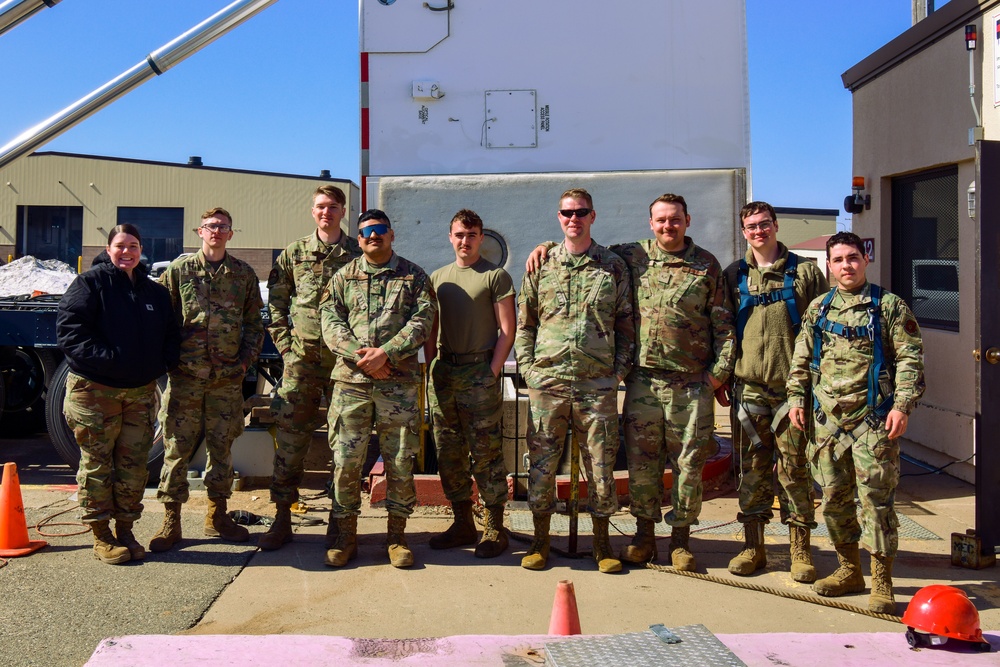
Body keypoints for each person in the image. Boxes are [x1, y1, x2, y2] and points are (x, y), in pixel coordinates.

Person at [527, 193, 734, 572]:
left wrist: (716, 375)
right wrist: (543, 246)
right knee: (641, 465)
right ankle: (642, 537)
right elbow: (575, 250)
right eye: (660, 220)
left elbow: (723, 324)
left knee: (687, 465)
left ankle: (681, 542)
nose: (667, 226)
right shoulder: (632, 256)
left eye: (674, 219)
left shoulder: (705, 265)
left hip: (688, 382)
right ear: (650, 223)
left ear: (688, 220)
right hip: (642, 382)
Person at [787, 231, 924, 614]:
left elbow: (911, 360)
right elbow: (801, 359)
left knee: (877, 504)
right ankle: (850, 569)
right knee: (834, 501)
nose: (846, 266)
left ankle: (882, 580)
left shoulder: (889, 306)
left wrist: (902, 406)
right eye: (838, 260)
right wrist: (797, 398)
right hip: (827, 424)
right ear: (827, 266)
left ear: (865, 259)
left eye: (852, 258)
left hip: (873, 424)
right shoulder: (819, 308)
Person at [515, 188, 634, 574]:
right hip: (548, 382)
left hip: (595, 384)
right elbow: (525, 323)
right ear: (558, 217)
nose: (574, 219)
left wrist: (617, 372)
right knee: (542, 466)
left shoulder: (613, 266)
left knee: (599, 466)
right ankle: (539, 542)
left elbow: (626, 324)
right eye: (567, 213)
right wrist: (530, 370)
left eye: (581, 212)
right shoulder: (541, 263)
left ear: (593, 216)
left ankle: (602, 544)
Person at [57, 224, 180, 564]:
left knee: (133, 466)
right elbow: (70, 332)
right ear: (108, 248)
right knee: (97, 464)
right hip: (95, 391)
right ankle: (101, 535)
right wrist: (111, 362)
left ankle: (126, 529)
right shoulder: (90, 284)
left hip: (139, 394)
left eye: (134, 246)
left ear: (141, 251)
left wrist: (160, 362)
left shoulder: (153, 293)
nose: (127, 252)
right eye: (121, 245)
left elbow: (170, 333)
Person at [321, 209, 436, 568]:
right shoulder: (343, 277)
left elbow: (423, 321)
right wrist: (362, 357)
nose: (374, 236)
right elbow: (330, 321)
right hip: (352, 385)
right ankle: (345, 537)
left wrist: (386, 353)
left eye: (380, 230)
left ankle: (397, 537)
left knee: (400, 461)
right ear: (358, 239)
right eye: (367, 231)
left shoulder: (414, 277)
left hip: (397, 384)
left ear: (392, 234)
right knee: (346, 462)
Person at [720, 202, 828, 580]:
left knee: (795, 471)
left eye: (764, 224)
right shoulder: (734, 275)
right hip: (749, 389)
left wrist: (817, 387)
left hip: (792, 392)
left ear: (776, 225)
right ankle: (754, 548)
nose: (759, 232)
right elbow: (724, 330)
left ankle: (801, 552)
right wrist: (722, 377)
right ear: (744, 231)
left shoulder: (807, 274)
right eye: (751, 226)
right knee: (752, 470)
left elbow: (822, 333)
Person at [148, 208, 265, 552]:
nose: (217, 231)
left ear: (231, 233)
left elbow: (255, 325)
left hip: (225, 381)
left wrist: (243, 365)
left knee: (222, 448)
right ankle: (172, 521)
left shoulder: (242, 274)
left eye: (223, 227)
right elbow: (164, 323)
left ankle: (217, 515)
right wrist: (172, 363)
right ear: (199, 231)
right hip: (185, 378)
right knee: (176, 449)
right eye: (211, 226)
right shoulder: (179, 271)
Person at [258, 185, 362, 551]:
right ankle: (281, 517)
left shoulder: (356, 253)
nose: (326, 212)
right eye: (320, 206)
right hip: (301, 364)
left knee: (344, 444)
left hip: (343, 366)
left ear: (343, 210)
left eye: (333, 207)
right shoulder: (294, 253)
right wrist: (287, 348)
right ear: (312, 210)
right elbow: (276, 306)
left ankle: (339, 522)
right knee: (290, 440)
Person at [423, 209, 516, 558]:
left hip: (479, 372)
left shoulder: (495, 276)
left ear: (481, 237)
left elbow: (508, 329)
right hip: (445, 373)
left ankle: (494, 526)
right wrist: (432, 363)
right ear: (450, 237)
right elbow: (431, 328)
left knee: (486, 453)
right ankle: (463, 522)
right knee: (448, 452)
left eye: (472, 234)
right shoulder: (438, 278)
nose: (465, 241)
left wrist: (492, 369)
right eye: (460, 234)